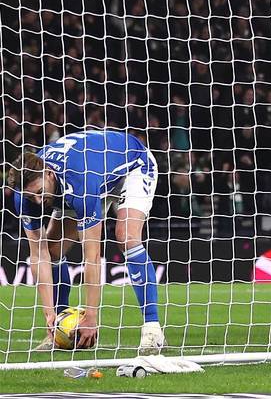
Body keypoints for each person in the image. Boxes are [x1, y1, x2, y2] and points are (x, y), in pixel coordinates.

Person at [7, 130, 164, 353]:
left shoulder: (79, 181)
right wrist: (49, 313)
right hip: (93, 174)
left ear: (49, 174)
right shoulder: (24, 196)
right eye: (31, 196)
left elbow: (92, 256)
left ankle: (152, 329)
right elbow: (38, 254)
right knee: (52, 250)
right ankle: (59, 329)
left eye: (40, 192)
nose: (38, 201)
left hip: (132, 166)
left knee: (126, 236)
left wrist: (91, 316)